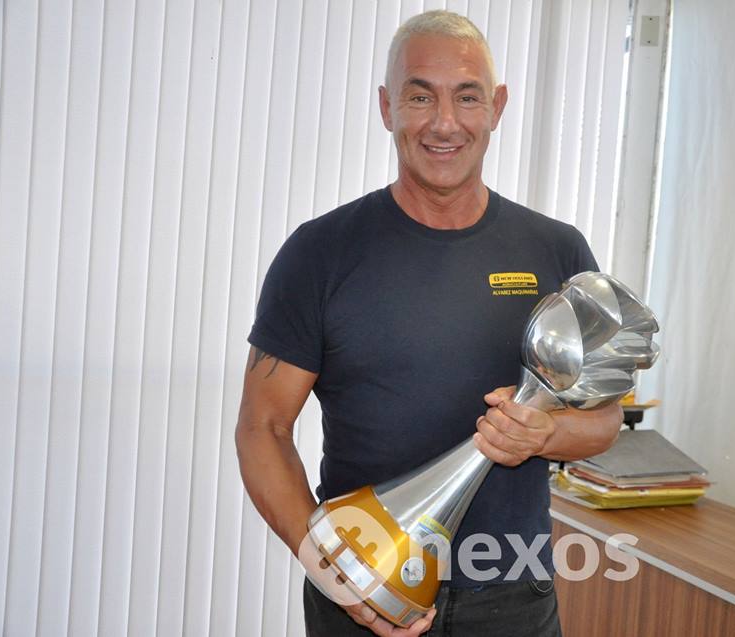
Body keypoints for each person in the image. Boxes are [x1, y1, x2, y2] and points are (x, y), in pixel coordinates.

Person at [235, 10, 623, 637]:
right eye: (420, 97)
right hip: (364, 589)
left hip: (512, 595)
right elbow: (263, 427)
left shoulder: (557, 251)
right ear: (387, 107)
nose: (445, 122)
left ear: (496, 107)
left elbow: (603, 421)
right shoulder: (319, 253)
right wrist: (330, 567)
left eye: (467, 97)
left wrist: (543, 434)